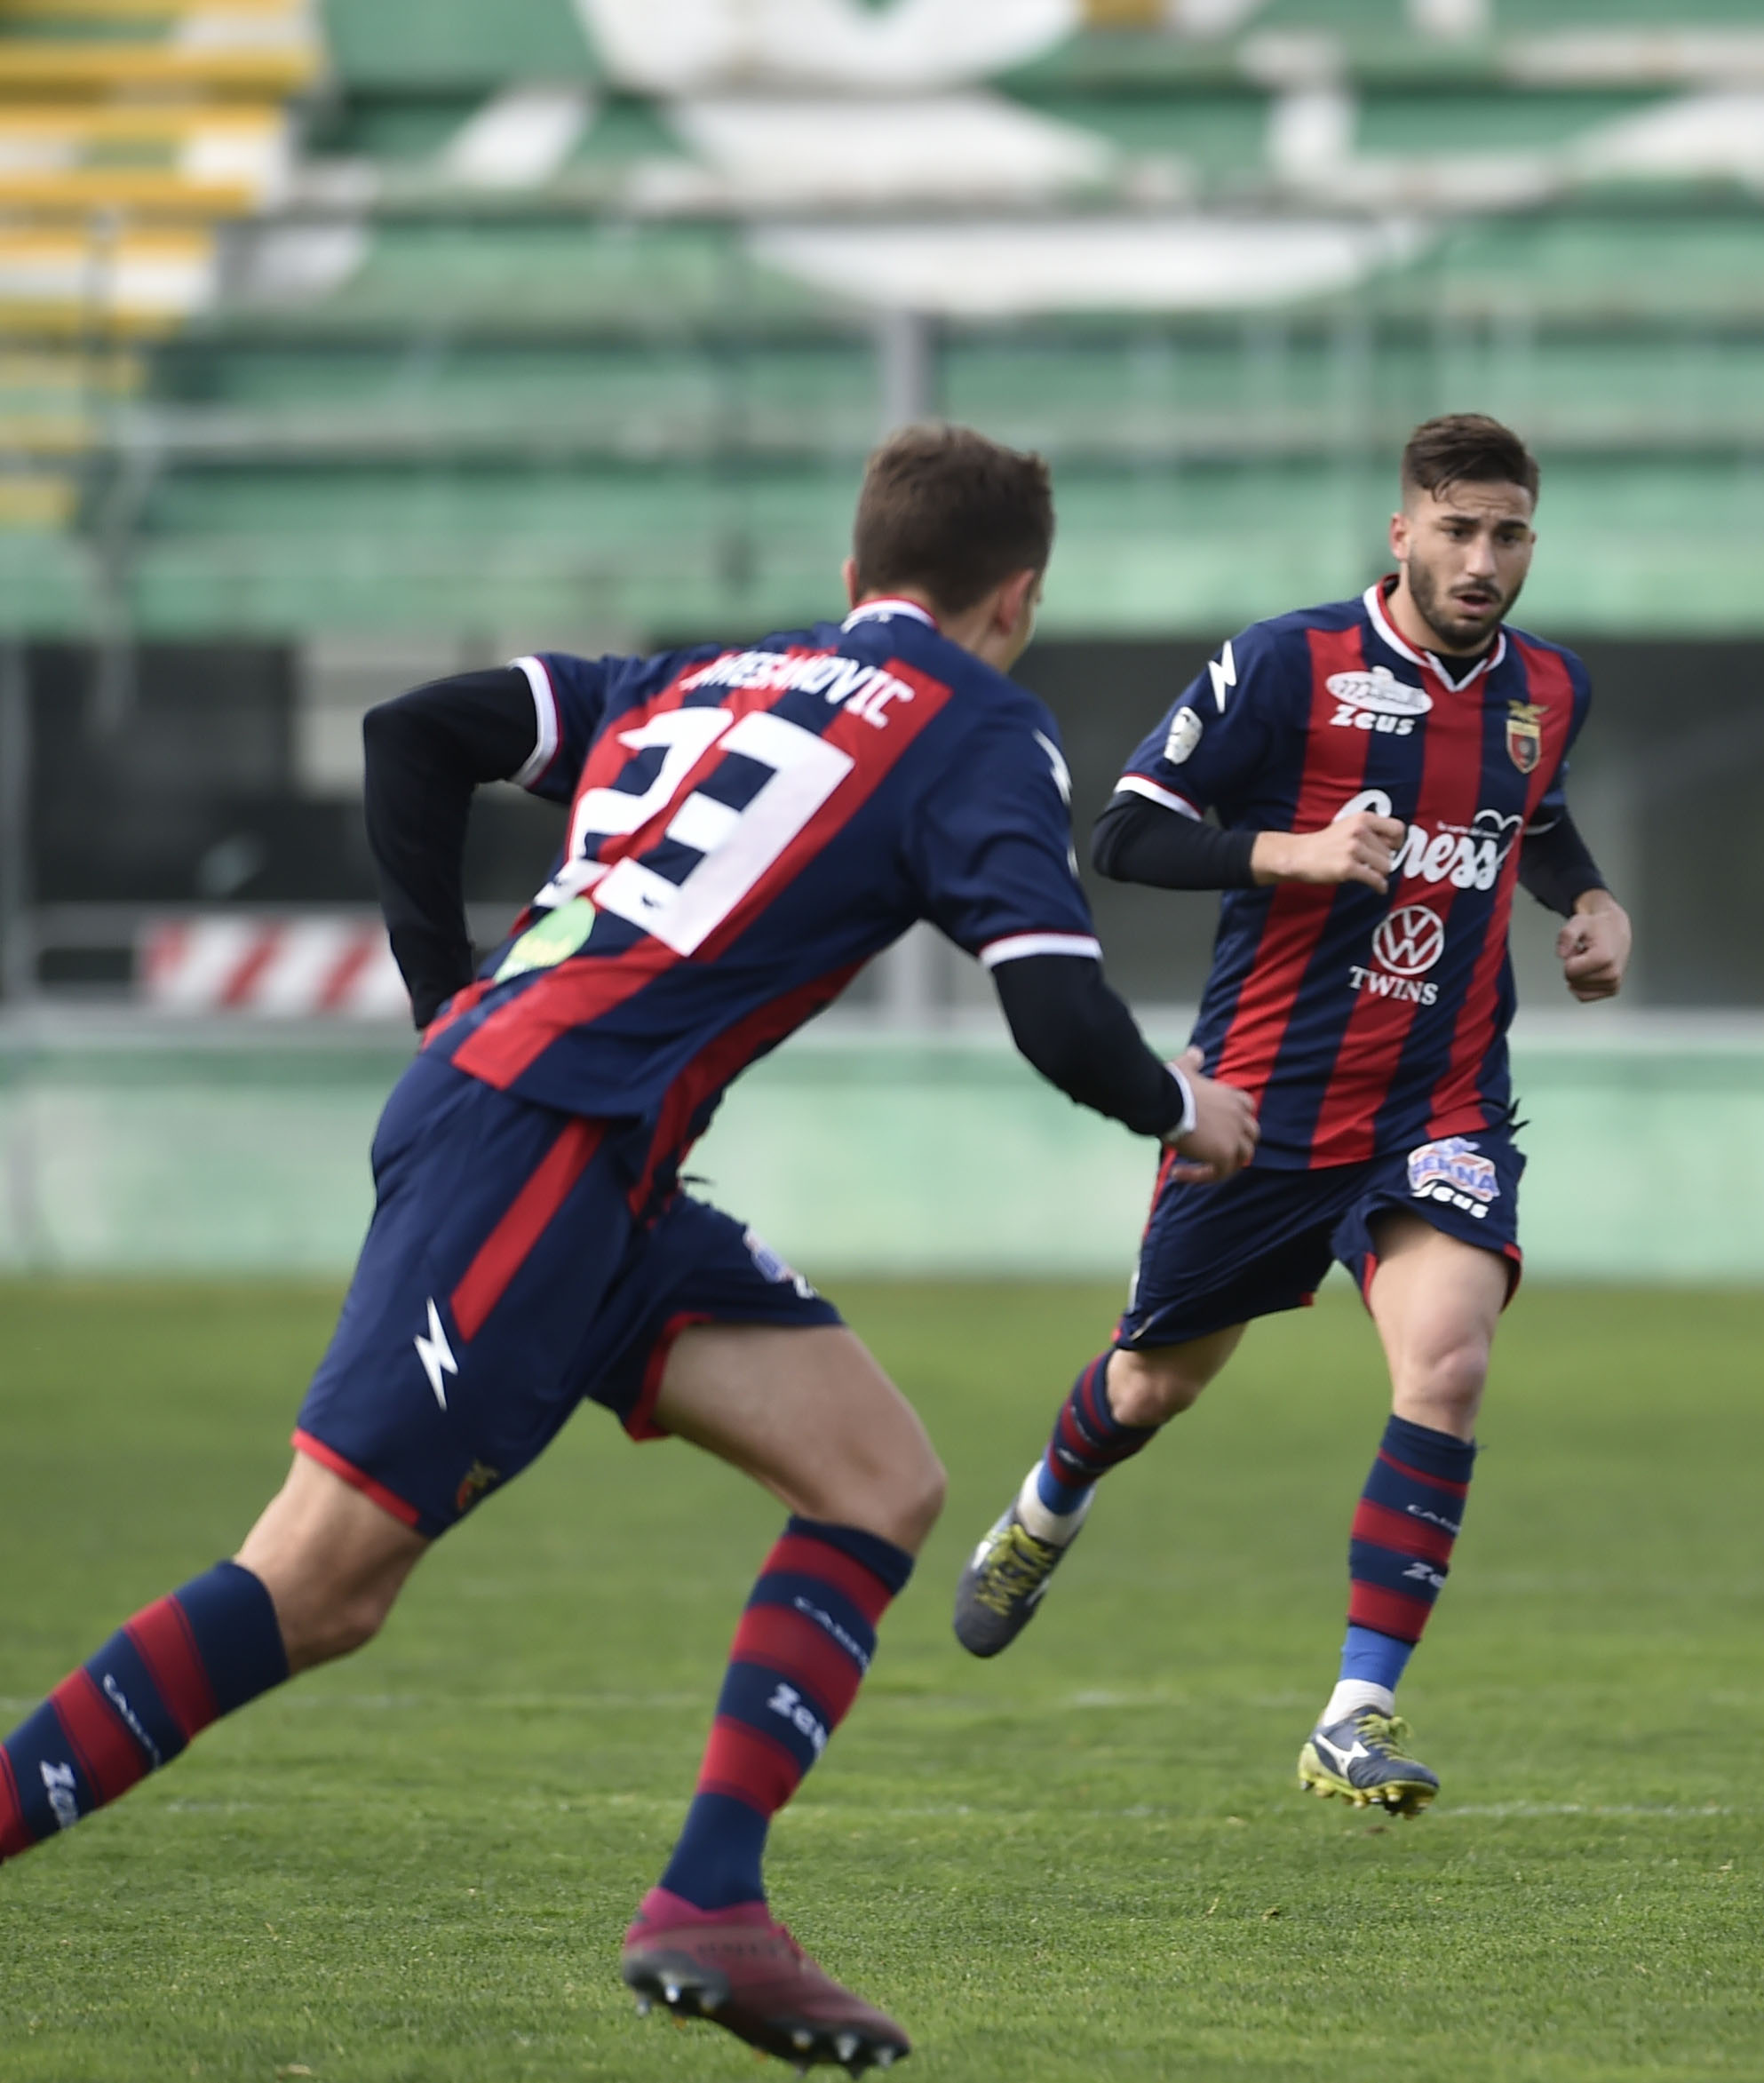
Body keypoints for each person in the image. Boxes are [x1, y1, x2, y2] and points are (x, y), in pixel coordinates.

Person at [0, 425, 1256, 2073]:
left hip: (587, 1152)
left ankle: (710, 1902)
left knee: (876, 1473)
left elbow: (413, 731)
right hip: (538, 1145)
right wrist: (1184, 1106)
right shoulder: (979, 723)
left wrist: (444, 995)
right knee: (316, 1584)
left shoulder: (703, 672)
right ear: (1017, 597)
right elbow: (1059, 1014)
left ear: (852, 573)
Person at [950, 413, 1631, 1818]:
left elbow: (1534, 820)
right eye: (1457, 530)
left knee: (1447, 1362)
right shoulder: (1286, 664)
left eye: (1508, 534)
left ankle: (1354, 1710)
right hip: (1257, 1108)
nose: (1483, 561)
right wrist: (1294, 852)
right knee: (1150, 1386)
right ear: (1402, 530)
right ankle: (1043, 1508)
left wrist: (1589, 901)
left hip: (1439, 1102)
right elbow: (1126, 832)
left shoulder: (1548, 687)